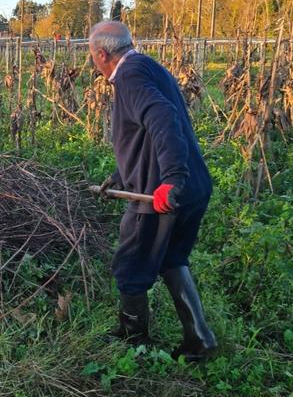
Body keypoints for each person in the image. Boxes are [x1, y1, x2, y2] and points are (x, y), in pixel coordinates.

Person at [89, 20, 217, 361]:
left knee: (130, 265)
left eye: (92, 55)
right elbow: (145, 132)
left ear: (101, 54)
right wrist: (122, 171)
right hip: (194, 186)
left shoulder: (129, 76)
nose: (92, 62)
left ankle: (134, 344)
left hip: (161, 194)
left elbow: (162, 117)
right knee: (173, 259)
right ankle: (201, 341)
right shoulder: (149, 67)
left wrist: (170, 180)